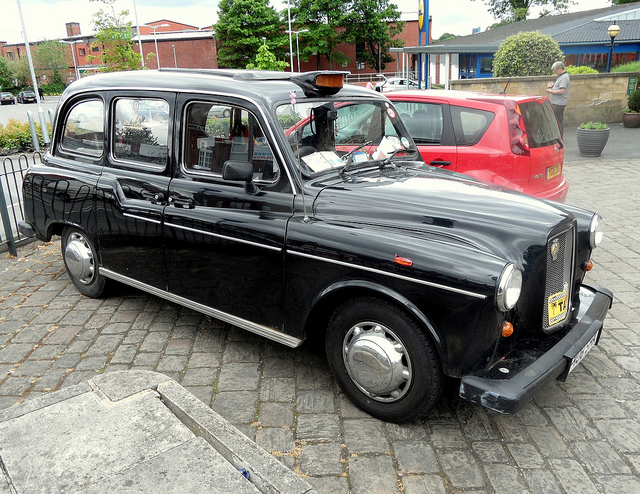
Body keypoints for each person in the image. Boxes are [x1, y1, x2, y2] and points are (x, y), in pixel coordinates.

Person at [546, 61, 570, 135]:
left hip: (558, 103)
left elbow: (562, 91)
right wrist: (554, 86)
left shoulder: (564, 78)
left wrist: (551, 91)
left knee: (558, 121)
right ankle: (558, 136)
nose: (555, 72)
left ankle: (559, 137)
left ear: (560, 69)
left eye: (555, 70)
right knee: (556, 120)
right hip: (557, 102)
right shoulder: (561, 77)